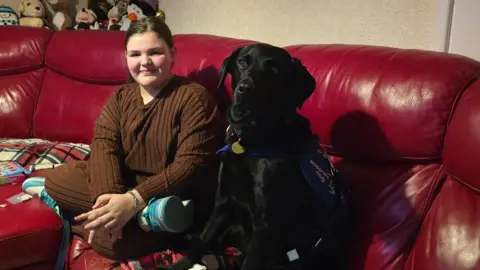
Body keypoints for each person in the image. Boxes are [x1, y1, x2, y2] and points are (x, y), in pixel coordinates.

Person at [22, 16, 223, 261]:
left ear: (172, 54)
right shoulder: (121, 97)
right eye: (135, 54)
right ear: (126, 57)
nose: (145, 62)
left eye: (155, 52)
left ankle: (68, 209)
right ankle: (145, 216)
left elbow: (190, 165)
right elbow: (104, 147)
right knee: (57, 179)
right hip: (126, 186)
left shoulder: (194, 98)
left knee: (114, 247)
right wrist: (112, 199)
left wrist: (134, 199)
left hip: (171, 194)